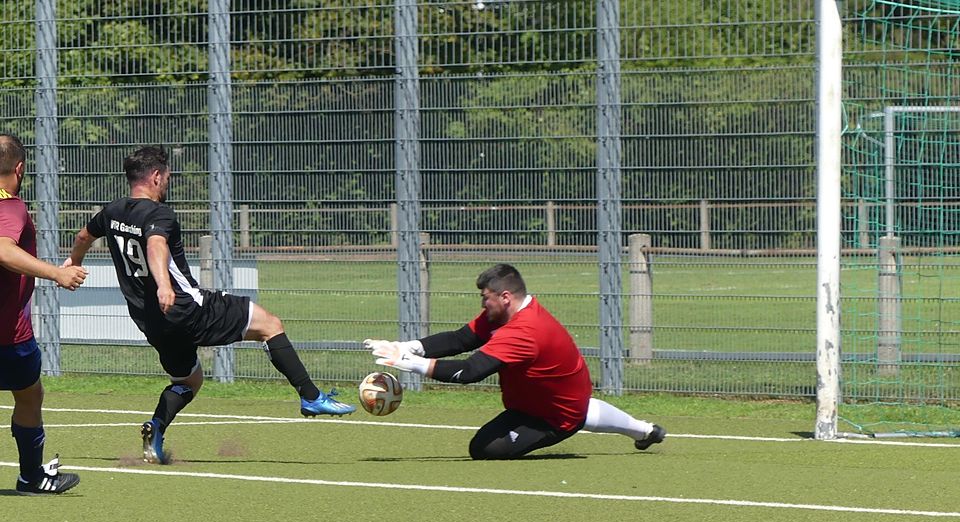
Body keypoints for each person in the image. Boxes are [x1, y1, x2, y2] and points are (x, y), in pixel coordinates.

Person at [66, 145, 354, 465]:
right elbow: (156, 246)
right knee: (270, 325)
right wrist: (164, 284)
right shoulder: (160, 214)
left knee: (188, 381)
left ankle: (157, 427)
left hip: (150, 320)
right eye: (168, 178)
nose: (168, 184)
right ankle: (311, 397)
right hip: (187, 308)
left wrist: (73, 263)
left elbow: (83, 237)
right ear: (156, 176)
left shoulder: (112, 211)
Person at [364, 263, 665, 459]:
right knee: (575, 405)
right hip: (548, 401)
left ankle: (611, 428)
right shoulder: (505, 315)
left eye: (486, 297)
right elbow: (460, 339)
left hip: (552, 416)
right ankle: (643, 430)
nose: (482, 303)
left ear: (505, 297)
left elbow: (470, 371)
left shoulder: (524, 330)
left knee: (483, 450)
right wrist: (406, 346)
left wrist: (408, 362)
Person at [0, 133, 87, 493]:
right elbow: (3, 250)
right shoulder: (10, 206)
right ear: (20, 168)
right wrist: (57, 272)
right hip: (6, 334)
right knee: (29, 394)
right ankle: (32, 477)